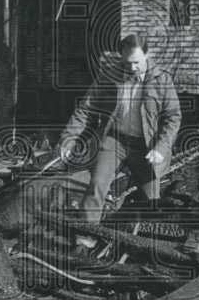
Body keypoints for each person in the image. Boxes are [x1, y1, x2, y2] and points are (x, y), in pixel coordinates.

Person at [58, 33, 181, 248]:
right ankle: (85, 239)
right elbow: (86, 108)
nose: (132, 68)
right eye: (128, 62)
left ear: (147, 54)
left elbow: (173, 117)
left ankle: (151, 245)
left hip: (146, 145)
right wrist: (69, 138)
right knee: (96, 185)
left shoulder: (162, 79)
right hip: (115, 139)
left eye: (137, 62)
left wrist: (161, 147)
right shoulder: (109, 75)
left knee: (151, 199)